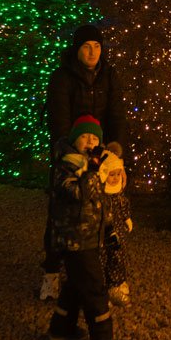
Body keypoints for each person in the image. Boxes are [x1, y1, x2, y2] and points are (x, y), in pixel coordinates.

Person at [39, 24, 129, 300]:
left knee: (106, 213)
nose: (92, 52)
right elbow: (59, 119)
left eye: (97, 46)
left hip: (101, 153)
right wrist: (70, 153)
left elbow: (117, 114)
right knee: (62, 215)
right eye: (87, 47)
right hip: (70, 152)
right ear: (77, 49)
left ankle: (106, 275)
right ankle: (51, 274)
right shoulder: (62, 77)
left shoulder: (109, 75)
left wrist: (115, 150)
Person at [45, 115, 126, 340]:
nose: (90, 142)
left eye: (94, 138)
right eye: (85, 137)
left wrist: (109, 228)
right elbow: (78, 194)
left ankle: (61, 330)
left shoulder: (93, 165)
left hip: (89, 235)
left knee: (75, 285)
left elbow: (100, 201)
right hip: (74, 239)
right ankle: (102, 338)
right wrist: (91, 171)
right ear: (74, 140)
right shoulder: (66, 165)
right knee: (94, 287)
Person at [99, 141, 133, 306]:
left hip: (118, 231)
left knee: (118, 257)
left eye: (118, 174)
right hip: (103, 232)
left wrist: (127, 218)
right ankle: (103, 288)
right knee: (102, 259)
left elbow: (123, 205)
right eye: (112, 175)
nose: (115, 178)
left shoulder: (118, 193)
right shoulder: (102, 194)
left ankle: (117, 283)